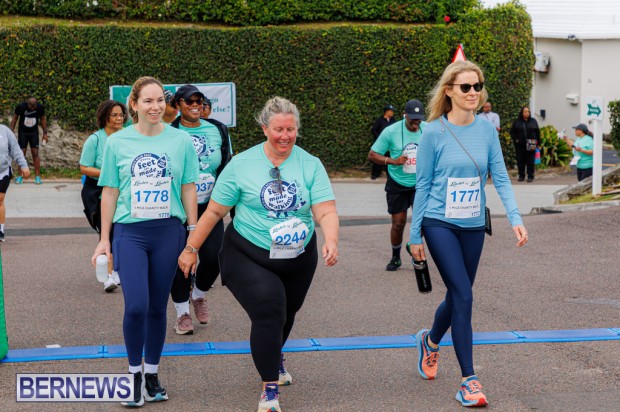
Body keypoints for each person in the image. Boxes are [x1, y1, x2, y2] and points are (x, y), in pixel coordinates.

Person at [178, 96, 339, 412]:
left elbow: (325, 209)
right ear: (265, 128)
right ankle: (269, 389)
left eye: (290, 129)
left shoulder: (310, 164)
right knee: (270, 309)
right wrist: (190, 248)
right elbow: (214, 212)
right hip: (248, 253)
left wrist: (331, 239)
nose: (285, 136)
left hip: (298, 256)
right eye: (278, 129)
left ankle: (274, 355)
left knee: (287, 312)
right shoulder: (242, 164)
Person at [409, 61, 528, 407]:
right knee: (464, 294)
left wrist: (515, 218)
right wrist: (415, 237)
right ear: (449, 91)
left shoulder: (487, 130)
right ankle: (468, 380)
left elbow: (500, 177)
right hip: (439, 222)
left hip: (474, 224)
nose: (473, 92)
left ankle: (430, 341)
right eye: (465, 87)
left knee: (458, 295)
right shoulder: (433, 132)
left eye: (477, 85)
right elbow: (423, 185)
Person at [91, 76, 198, 407]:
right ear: (134, 105)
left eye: (160, 100)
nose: (155, 107)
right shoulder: (117, 142)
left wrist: (193, 236)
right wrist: (104, 239)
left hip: (169, 232)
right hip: (130, 233)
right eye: (148, 101)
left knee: (156, 307)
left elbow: (188, 187)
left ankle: (151, 375)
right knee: (136, 305)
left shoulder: (181, 141)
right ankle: (133, 375)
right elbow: (110, 191)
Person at [169, 85, 233, 335]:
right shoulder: (170, 132)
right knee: (181, 258)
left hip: (210, 205)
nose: (195, 105)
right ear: (178, 105)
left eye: (199, 100)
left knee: (215, 256)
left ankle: (198, 294)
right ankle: (182, 312)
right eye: (189, 101)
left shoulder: (217, 129)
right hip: (178, 206)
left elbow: (226, 165)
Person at [368, 99, 426, 271]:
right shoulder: (391, 131)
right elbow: (372, 155)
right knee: (398, 223)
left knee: (424, 221)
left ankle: (412, 243)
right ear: (405, 115)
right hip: (397, 182)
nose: (416, 122)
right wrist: (393, 161)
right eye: (412, 119)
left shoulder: (428, 129)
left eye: (419, 119)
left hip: (420, 183)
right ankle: (396, 257)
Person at [80, 100, 128, 292]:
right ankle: (109, 275)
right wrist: (108, 173)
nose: (119, 118)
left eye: (121, 115)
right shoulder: (95, 140)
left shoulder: (127, 136)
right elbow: (84, 167)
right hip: (98, 191)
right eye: (114, 115)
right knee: (108, 232)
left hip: (123, 190)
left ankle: (116, 270)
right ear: (104, 117)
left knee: (122, 231)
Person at [0, 125, 31, 242]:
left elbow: (15, 149)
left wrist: (24, 165)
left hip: (3, 172)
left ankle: (0, 229)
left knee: (0, 199)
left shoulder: (4, 131)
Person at [9, 96, 48, 185]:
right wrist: (11, 132)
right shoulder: (21, 107)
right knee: (21, 153)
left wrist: (45, 133)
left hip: (33, 133)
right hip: (23, 132)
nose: (33, 108)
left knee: (35, 153)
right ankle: (20, 176)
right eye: (31, 107)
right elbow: (15, 118)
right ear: (28, 104)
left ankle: (37, 177)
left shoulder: (40, 107)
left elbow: (43, 119)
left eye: (34, 106)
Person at [510, 106, 540, 182]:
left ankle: (530, 176)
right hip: (520, 144)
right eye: (525, 112)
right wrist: (516, 139)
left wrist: (538, 143)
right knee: (520, 160)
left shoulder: (533, 121)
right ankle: (521, 175)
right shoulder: (517, 122)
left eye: (528, 111)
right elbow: (512, 132)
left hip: (531, 143)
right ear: (522, 113)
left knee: (530, 161)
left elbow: (537, 132)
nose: (527, 113)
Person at [370, 104, 397, 179]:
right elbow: (374, 130)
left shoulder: (393, 120)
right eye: (391, 111)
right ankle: (375, 174)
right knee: (378, 158)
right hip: (381, 144)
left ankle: (389, 174)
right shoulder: (380, 120)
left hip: (390, 144)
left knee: (389, 158)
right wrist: (379, 138)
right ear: (386, 111)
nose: (392, 113)